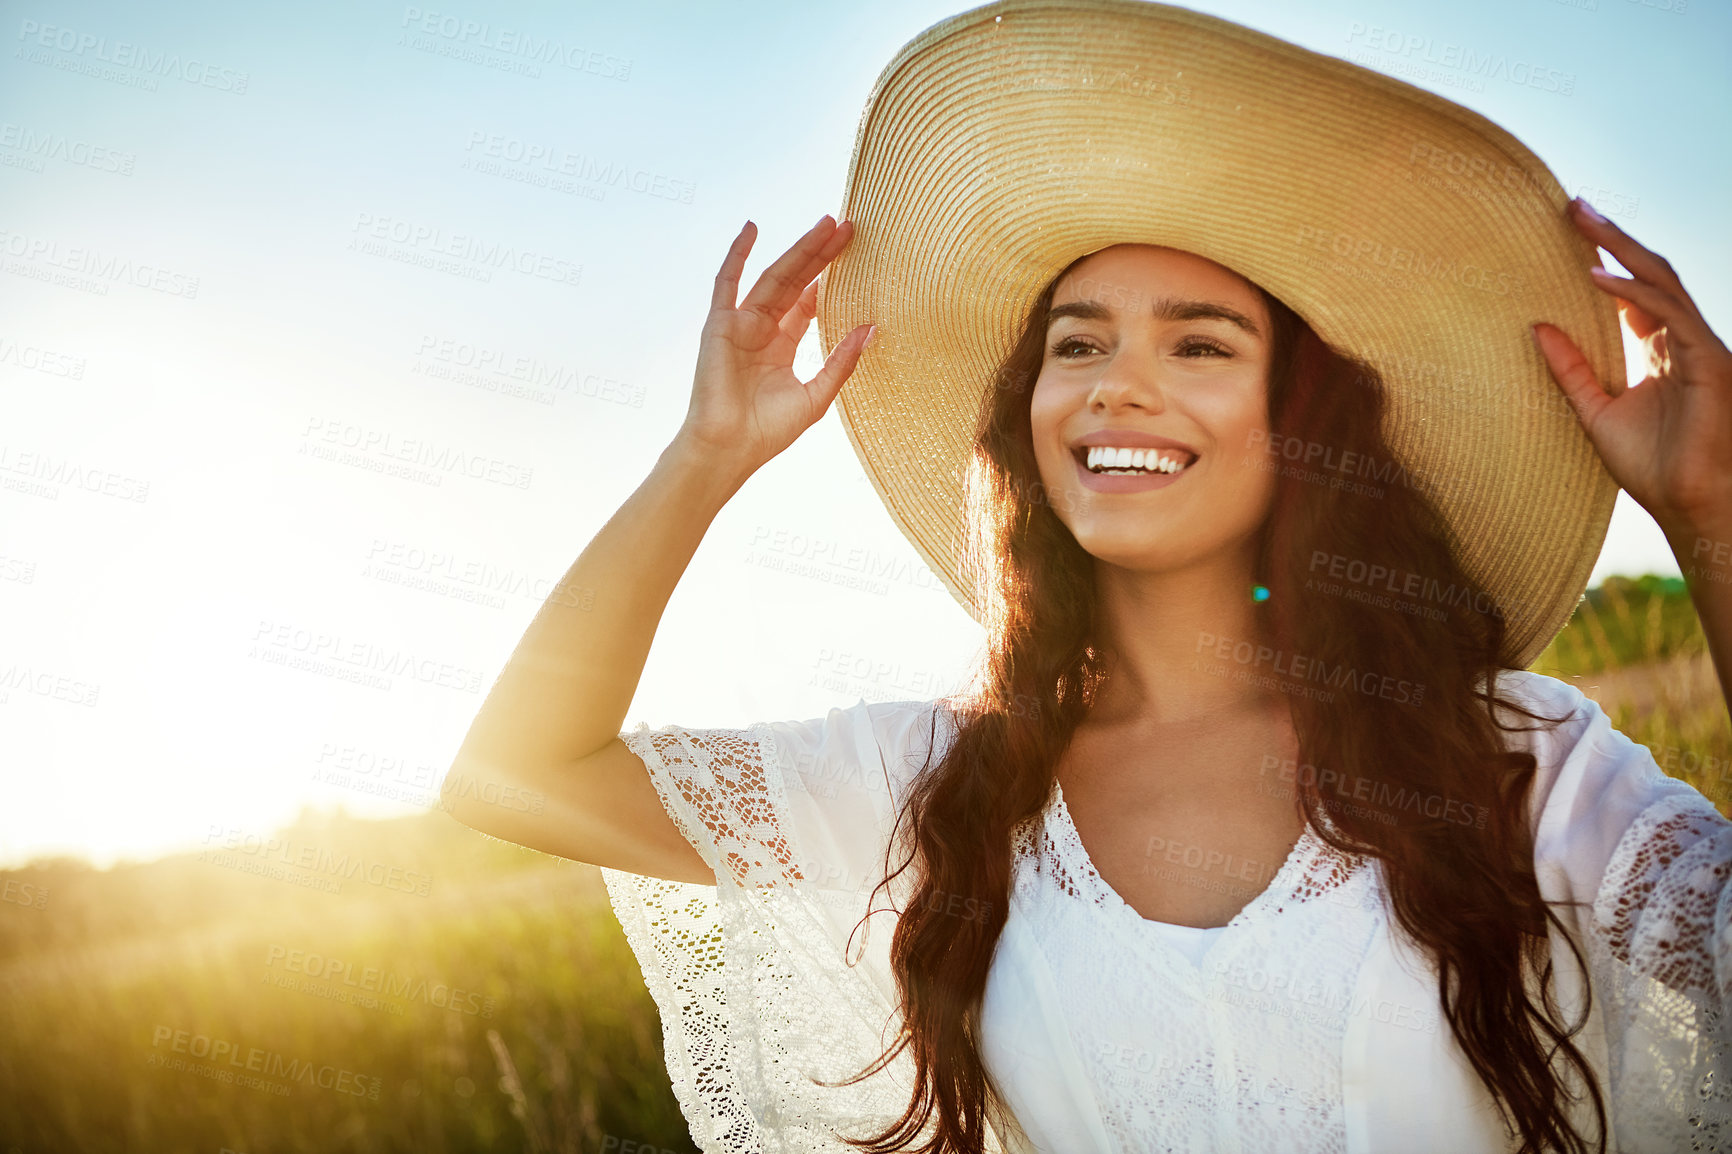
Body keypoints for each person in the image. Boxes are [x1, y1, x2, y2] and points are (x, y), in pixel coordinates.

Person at [442, 2, 1732, 1151]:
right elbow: (516, 776)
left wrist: (1707, 515)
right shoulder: (932, 792)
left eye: (1201, 344)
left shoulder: (1513, 763)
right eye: (1078, 342)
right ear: (1031, 414)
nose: (1120, 383)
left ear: (1302, 422)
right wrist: (704, 456)